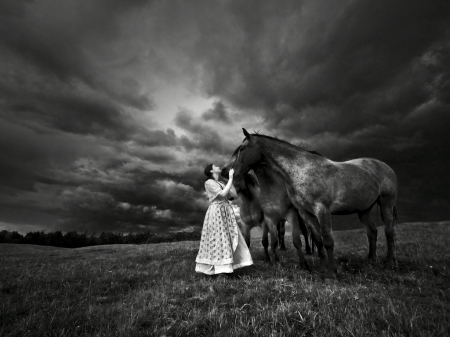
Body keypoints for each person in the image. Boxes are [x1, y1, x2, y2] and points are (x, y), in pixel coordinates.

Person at [195, 164, 253, 275]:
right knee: (218, 238)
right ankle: (219, 269)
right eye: (215, 166)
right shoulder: (209, 182)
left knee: (227, 237)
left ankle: (227, 267)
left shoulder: (221, 183)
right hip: (216, 212)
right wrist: (230, 179)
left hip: (226, 211)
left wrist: (230, 181)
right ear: (212, 170)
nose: (218, 166)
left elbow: (234, 195)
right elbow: (222, 195)